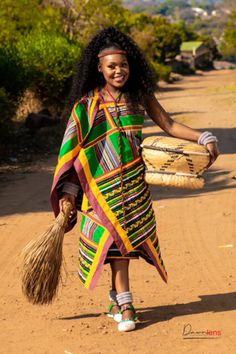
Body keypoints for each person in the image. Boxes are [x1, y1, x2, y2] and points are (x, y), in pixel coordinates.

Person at [50, 27, 219, 332]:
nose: (119, 71)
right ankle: (127, 303)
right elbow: (72, 154)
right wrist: (69, 193)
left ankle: (116, 298)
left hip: (134, 186)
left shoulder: (139, 96)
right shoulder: (86, 106)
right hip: (99, 189)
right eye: (111, 66)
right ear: (99, 68)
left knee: (124, 243)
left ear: (131, 65)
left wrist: (203, 137)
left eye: (123, 65)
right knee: (114, 243)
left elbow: (167, 124)